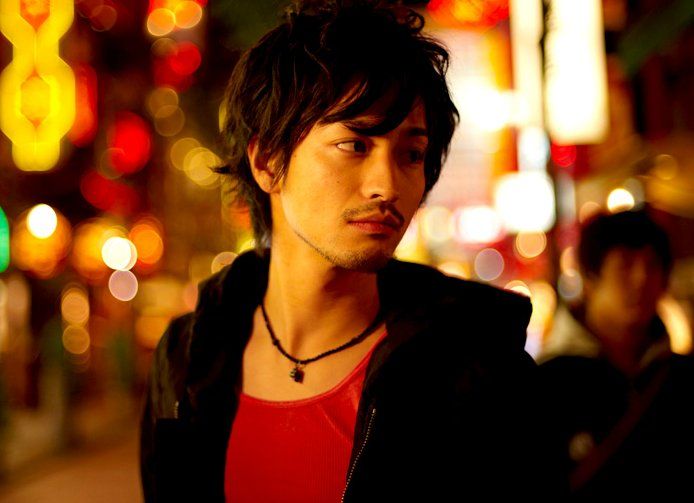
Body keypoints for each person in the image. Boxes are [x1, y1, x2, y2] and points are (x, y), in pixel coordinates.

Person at [140, 1, 564, 501]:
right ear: (268, 161)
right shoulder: (187, 361)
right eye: (355, 145)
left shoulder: (480, 372)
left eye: (411, 154)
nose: (388, 186)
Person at [538, 208, 694, 499]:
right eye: (625, 265)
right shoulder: (547, 384)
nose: (641, 278)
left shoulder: (679, 374)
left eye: (652, 265)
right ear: (590, 276)